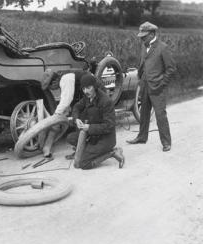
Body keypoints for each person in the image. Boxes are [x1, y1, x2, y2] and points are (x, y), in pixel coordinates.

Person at [126, 22, 176, 152]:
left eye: (144, 36)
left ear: (153, 34)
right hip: (144, 86)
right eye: (141, 36)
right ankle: (142, 137)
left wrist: (162, 84)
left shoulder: (163, 47)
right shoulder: (144, 46)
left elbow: (171, 69)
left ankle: (166, 142)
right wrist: (140, 76)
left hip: (157, 87)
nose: (142, 38)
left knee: (160, 115)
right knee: (144, 113)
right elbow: (143, 63)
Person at [65, 73, 124, 169]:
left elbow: (109, 125)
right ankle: (87, 151)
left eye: (88, 88)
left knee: (83, 164)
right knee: (70, 138)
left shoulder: (106, 101)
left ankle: (112, 152)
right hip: (93, 135)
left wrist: (89, 127)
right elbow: (76, 107)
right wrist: (76, 119)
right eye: (83, 89)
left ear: (94, 86)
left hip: (106, 138)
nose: (86, 91)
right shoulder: (87, 97)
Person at [40, 69, 87, 158]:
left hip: (95, 94)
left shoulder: (66, 79)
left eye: (50, 87)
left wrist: (56, 115)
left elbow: (66, 100)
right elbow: (66, 99)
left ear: (53, 82)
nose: (52, 89)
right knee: (77, 116)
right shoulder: (63, 78)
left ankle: (83, 151)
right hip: (86, 94)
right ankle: (80, 148)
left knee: (81, 119)